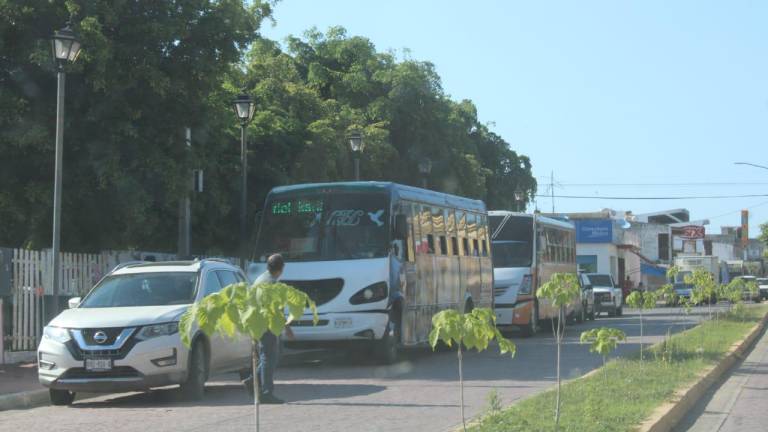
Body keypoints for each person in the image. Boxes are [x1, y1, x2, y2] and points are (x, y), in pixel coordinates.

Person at [244, 253, 292, 404]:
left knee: (271, 355)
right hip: (266, 324)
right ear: (281, 268)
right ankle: (266, 391)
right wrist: (287, 327)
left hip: (258, 323)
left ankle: (253, 381)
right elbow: (276, 310)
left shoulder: (261, 278)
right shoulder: (271, 284)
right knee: (268, 356)